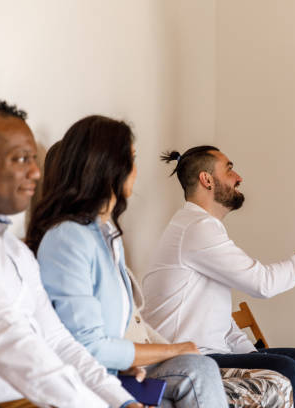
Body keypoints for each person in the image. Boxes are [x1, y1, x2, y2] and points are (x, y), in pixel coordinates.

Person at [26, 115, 228, 408]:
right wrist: (173, 349)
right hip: (86, 377)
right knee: (198, 369)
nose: (135, 170)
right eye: (131, 159)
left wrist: (141, 357)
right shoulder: (68, 238)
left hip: (116, 370)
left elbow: (123, 328)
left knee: (193, 368)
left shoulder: (107, 234)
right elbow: (89, 346)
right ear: (107, 166)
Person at [0, 98, 140, 407]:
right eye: (22, 159)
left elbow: (57, 340)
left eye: (35, 160)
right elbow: (5, 338)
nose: (37, 173)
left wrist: (120, 401)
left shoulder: (10, 245)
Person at [141, 145, 295, 408]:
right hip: (187, 358)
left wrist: (254, 359)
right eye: (230, 169)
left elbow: (222, 321)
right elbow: (263, 283)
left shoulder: (202, 228)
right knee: (286, 369)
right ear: (206, 179)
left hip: (212, 353)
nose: (239, 178)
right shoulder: (197, 228)